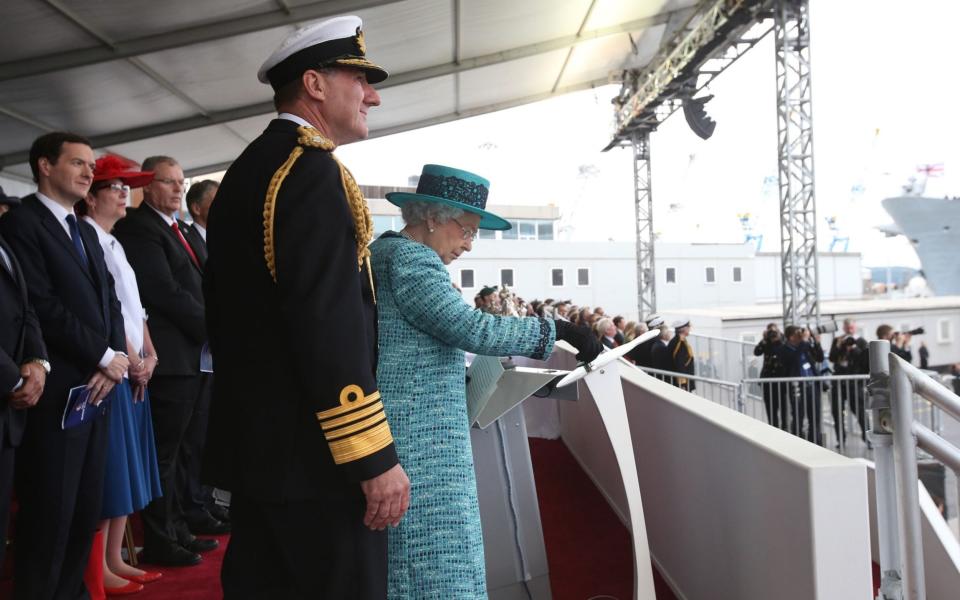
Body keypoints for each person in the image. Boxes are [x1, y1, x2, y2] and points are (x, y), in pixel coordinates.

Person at [202, 16, 410, 598]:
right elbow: (328, 326)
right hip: (316, 462)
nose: (372, 95)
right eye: (359, 79)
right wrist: (371, 457)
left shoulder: (248, 170)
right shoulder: (311, 173)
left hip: (259, 450)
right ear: (315, 85)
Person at [372, 163, 603, 598]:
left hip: (409, 424)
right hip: (422, 437)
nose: (469, 244)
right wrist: (557, 330)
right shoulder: (412, 261)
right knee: (435, 559)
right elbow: (471, 328)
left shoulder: (385, 252)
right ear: (433, 218)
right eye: (467, 230)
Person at [0, 131, 127, 600]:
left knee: (84, 508)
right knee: (49, 511)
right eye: (77, 163)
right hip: (56, 389)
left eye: (90, 165)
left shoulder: (81, 226)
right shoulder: (23, 225)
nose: (89, 172)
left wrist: (112, 358)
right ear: (44, 166)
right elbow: (43, 307)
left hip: (97, 390)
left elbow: (109, 298)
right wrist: (101, 356)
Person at [113, 154, 224, 568]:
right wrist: (214, 328)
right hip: (173, 356)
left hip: (194, 358)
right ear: (147, 187)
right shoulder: (138, 229)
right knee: (165, 454)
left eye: (180, 182)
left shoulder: (177, 229)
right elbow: (163, 291)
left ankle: (179, 527)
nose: (178, 188)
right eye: (168, 182)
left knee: (183, 450)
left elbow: (205, 284)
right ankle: (160, 537)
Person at [79, 154, 164, 593]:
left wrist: (149, 352)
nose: (123, 193)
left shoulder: (114, 241)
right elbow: (109, 313)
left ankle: (115, 557)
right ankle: (101, 566)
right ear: (90, 198)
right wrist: (132, 358)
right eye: (115, 187)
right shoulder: (89, 239)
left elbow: (135, 309)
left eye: (124, 187)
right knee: (112, 470)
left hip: (132, 367)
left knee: (128, 471)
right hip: (115, 368)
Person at [0, 232, 48, 570]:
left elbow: (26, 308)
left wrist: (38, 362)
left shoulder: (5, 242)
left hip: (8, 412)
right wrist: (14, 378)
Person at [828, 318, 869, 445]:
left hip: (854, 382)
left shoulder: (861, 342)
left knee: (860, 411)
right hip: (839, 382)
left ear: (855, 327)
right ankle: (841, 439)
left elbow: (865, 361)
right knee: (837, 411)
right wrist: (839, 346)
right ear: (844, 328)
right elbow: (832, 358)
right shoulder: (838, 340)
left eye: (852, 327)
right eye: (847, 328)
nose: (850, 330)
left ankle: (867, 438)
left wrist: (855, 349)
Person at [754, 325, 787, 430]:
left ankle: (785, 429)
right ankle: (774, 429)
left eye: (774, 331)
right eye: (770, 332)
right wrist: (764, 339)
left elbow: (781, 351)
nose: (772, 334)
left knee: (783, 407)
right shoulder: (766, 342)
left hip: (782, 380)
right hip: (768, 380)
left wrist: (779, 338)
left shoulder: (783, 341)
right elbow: (757, 352)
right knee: (771, 408)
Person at [668, 320, 695, 391]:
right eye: (688, 327)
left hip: (686, 379)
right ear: (683, 329)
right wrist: (682, 384)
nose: (689, 329)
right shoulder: (678, 343)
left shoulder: (681, 341)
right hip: (683, 382)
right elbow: (679, 363)